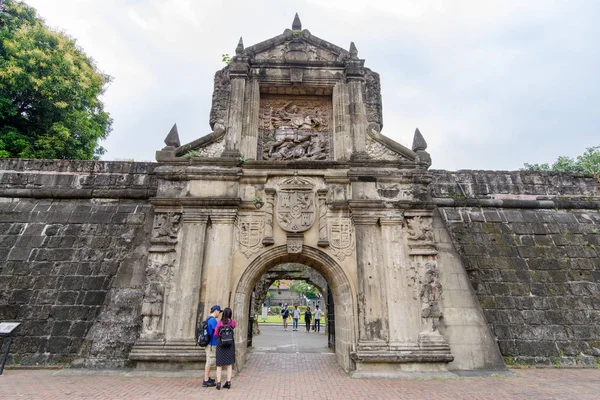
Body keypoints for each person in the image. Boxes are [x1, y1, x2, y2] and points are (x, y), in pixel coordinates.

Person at [214, 307, 236, 390]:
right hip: (230, 344)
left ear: (223, 314)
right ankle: (228, 381)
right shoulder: (233, 322)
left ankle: (218, 383)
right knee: (229, 364)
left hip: (221, 344)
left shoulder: (219, 323)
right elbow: (233, 327)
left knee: (219, 365)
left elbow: (216, 334)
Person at [202, 305, 222, 387]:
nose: (219, 313)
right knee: (209, 362)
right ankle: (206, 380)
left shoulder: (208, 318)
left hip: (209, 343)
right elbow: (217, 332)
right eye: (219, 312)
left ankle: (207, 378)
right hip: (212, 344)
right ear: (216, 311)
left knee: (209, 360)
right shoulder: (213, 320)